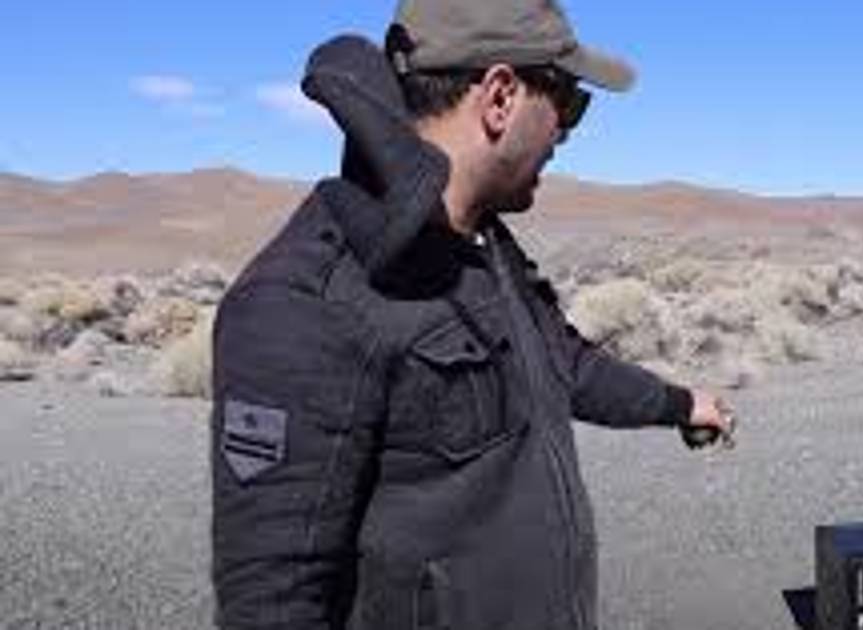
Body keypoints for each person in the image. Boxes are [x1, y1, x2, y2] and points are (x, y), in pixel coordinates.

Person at [209, 1, 736, 628]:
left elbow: (563, 363)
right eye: (567, 103)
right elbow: (273, 601)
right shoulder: (307, 300)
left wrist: (680, 404)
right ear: (501, 97)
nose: (565, 133)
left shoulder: (483, 242)